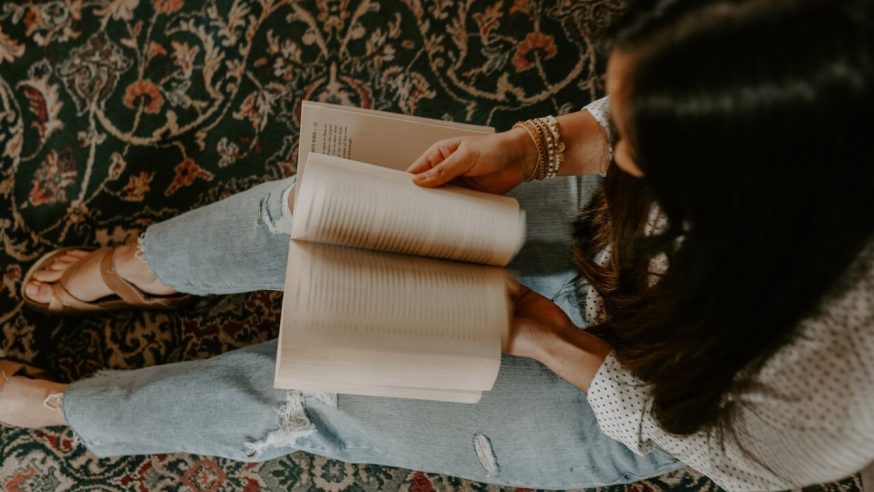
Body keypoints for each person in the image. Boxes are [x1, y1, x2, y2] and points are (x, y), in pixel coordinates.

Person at [2, 0, 872, 489]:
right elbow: (621, 121)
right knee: (323, 204)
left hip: (638, 394)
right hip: (605, 230)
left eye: (640, 143)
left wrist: (545, 337)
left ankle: (68, 408)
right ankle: (138, 271)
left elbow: (720, 453)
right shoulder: (820, 77)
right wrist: (537, 146)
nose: (615, 132)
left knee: (320, 397)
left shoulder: (842, 386)